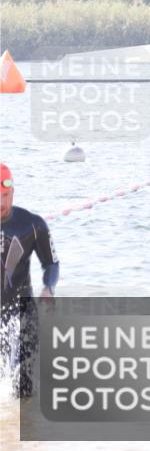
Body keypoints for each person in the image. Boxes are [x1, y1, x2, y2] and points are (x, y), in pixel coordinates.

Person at [1, 163, 59, 398]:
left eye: (5, 195)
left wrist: (49, 287)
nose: (1, 203)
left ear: (13, 192)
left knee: (24, 390)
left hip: (23, 312)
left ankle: (25, 430)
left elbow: (51, 263)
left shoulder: (32, 225)